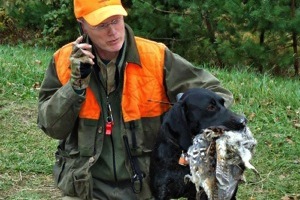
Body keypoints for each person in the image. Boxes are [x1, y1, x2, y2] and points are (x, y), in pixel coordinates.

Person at [37, 0, 234, 199]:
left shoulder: (155, 57)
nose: (113, 32)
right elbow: (51, 127)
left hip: (146, 190)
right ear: (82, 25)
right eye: (102, 25)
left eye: (116, 20)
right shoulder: (62, 61)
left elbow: (217, 94)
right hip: (85, 190)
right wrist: (75, 86)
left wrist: (186, 127)